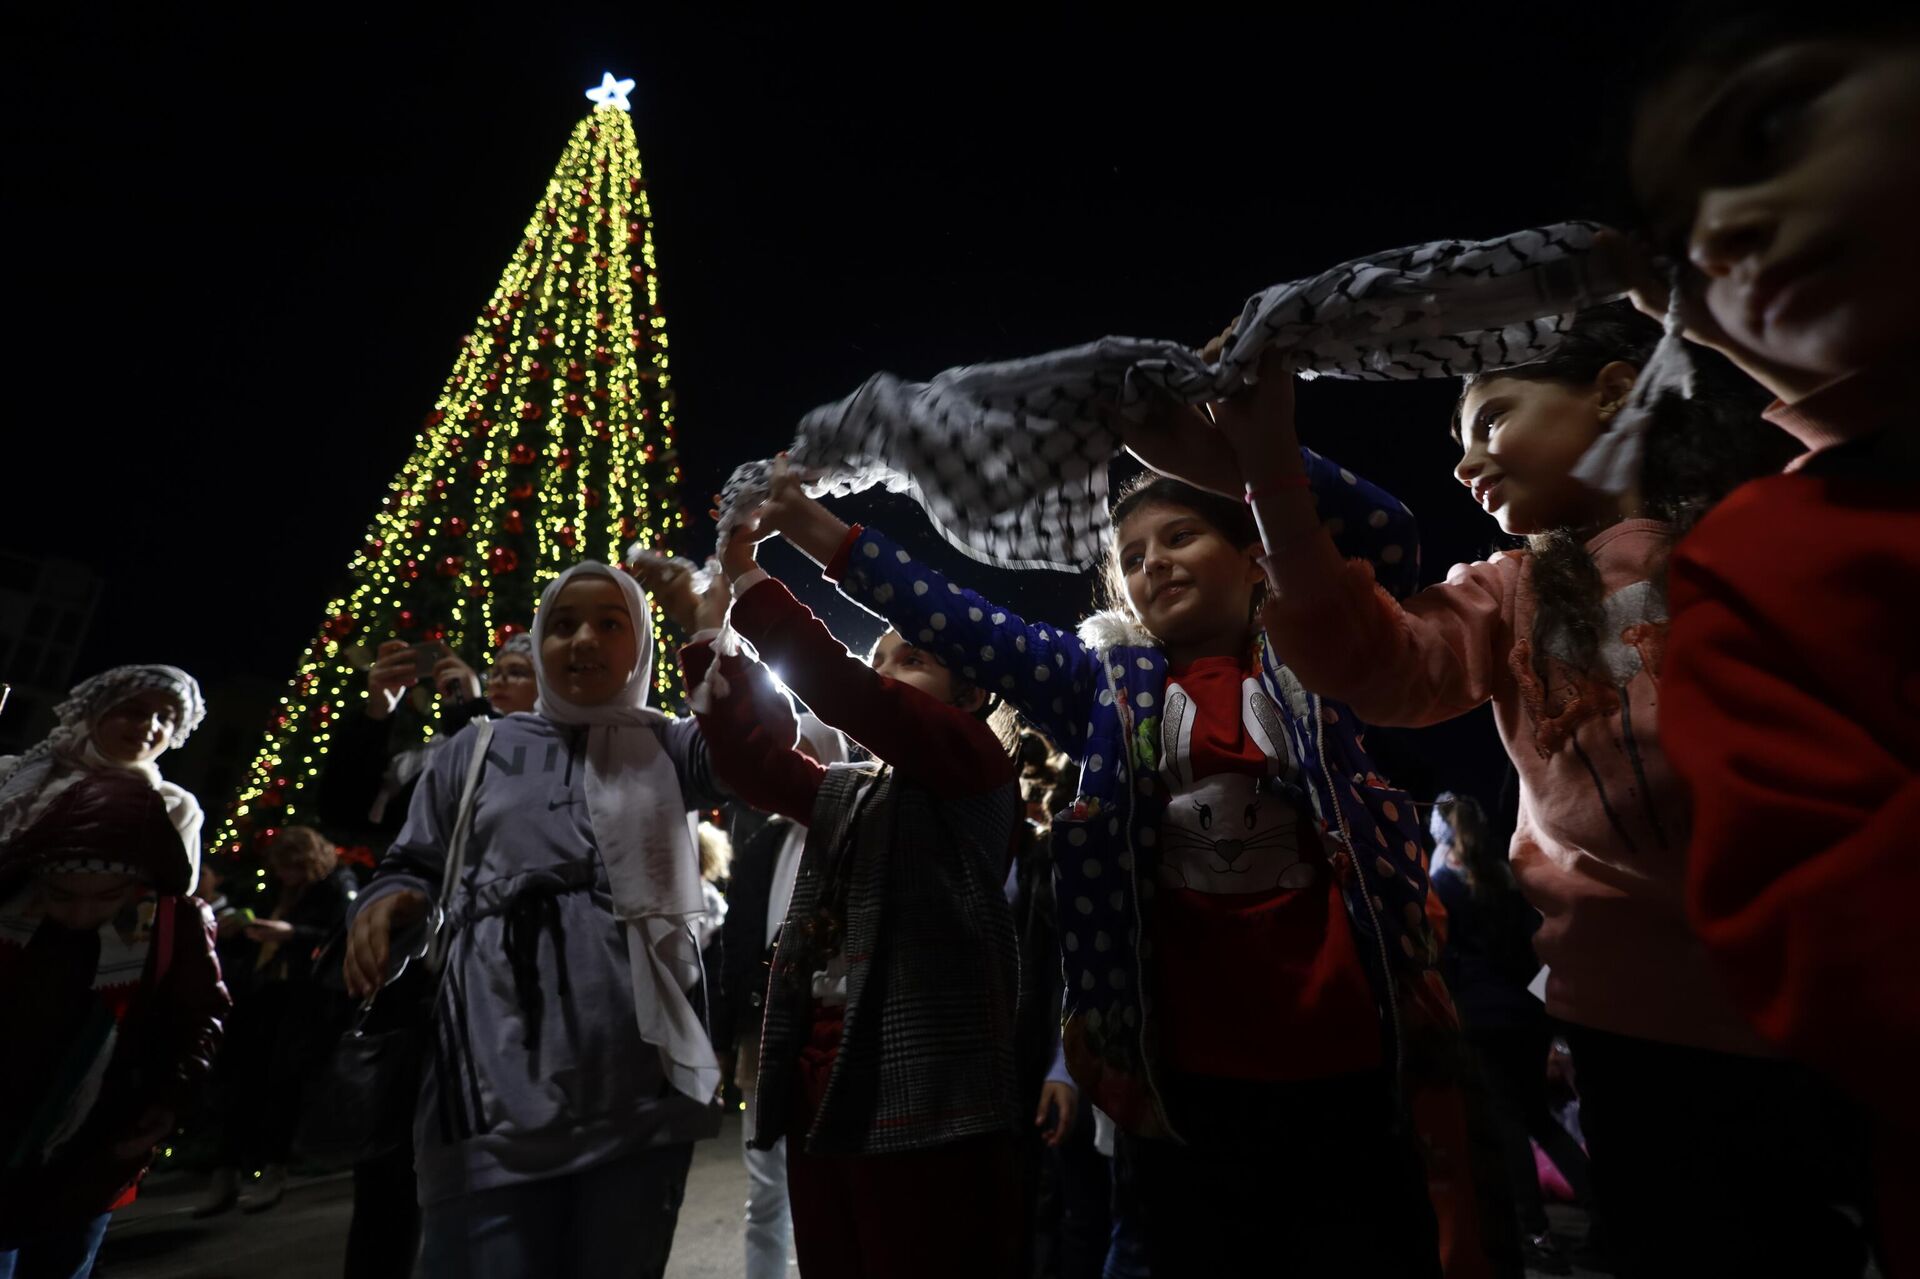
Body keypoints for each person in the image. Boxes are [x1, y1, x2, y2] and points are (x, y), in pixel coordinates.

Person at [1171, 304, 1869, 1276]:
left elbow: (1875, 456)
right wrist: (1266, 472)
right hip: (1641, 1026)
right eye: (1459, 443)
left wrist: (1710, 323)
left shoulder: (1748, 529)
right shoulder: (1504, 593)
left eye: (1492, 418)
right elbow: (1365, 659)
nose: (1467, 463)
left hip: (1845, 985)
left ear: (1616, 393)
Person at [731, 453, 1444, 1277]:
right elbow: (961, 621)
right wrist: (812, 529)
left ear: (1258, 553)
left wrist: (1227, 441)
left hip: (1344, 1058)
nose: (1154, 563)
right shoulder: (1103, 690)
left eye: (1181, 536)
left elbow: (1387, 537)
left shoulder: (1328, 657)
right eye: (1133, 556)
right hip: (1182, 1076)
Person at [1622, 7, 1920, 1270]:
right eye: (1694, 248)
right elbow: (1840, 961)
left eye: (1778, 127)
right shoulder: (1754, 563)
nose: (1723, 231)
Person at [341, 562, 727, 1279]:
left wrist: (706, 617)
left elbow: (756, 745)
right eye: (563, 623)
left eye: (610, 623)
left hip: (633, 1086)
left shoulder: (672, 745)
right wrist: (389, 900)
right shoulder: (472, 749)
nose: (583, 639)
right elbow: (412, 861)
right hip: (490, 1075)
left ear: (641, 645)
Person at [668, 513, 1027, 1279]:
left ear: (967, 691)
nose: (890, 671)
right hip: (824, 1082)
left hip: (923, 1088)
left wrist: (750, 583)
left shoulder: (975, 762)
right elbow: (757, 766)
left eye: (914, 658)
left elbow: (854, 696)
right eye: (882, 657)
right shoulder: (858, 787)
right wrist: (707, 632)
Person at [0, 771, 229, 1279]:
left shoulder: (172, 923)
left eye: (105, 898)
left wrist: (169, 1098)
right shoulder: (11, 910)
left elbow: (199, 1019)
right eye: (62, 895)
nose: (81, 913)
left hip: (98, 1150)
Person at [1429, 793, 1595, 1274]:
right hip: (1527, 1016)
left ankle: (1534, 1232)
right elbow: (1535, 953)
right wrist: (1551, 1016)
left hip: (1483, 1022)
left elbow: (1447, 961)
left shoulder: (1444, 885)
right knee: (1539, 1120)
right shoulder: (1508, 882)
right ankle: (1601, 1212)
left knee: (1508, 1129)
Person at [196, 826, 357, 1216]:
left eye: (291, 867)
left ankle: (273, 1170)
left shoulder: (336, 886)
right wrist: (240, 929)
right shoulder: (279, 890)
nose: (284, 875)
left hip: (302, 997)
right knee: (240, 1081)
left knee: (282, 1085)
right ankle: (226, 1174)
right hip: (262, 993)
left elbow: (342, 935)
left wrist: (292, 934)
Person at [0, 665, 209, 892]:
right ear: (98, 712)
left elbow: (172, 896)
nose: (150, 725)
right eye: (134, 712)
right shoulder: (11, 772)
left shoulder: (172, 805)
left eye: (165, 718)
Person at [318, 632, 537, 838]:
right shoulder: (435, 749)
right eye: (495, 673)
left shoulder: (547, 747)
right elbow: (341, 810)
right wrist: (377, 712)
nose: (498, 681)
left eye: (517, 672)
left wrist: (473, 708)